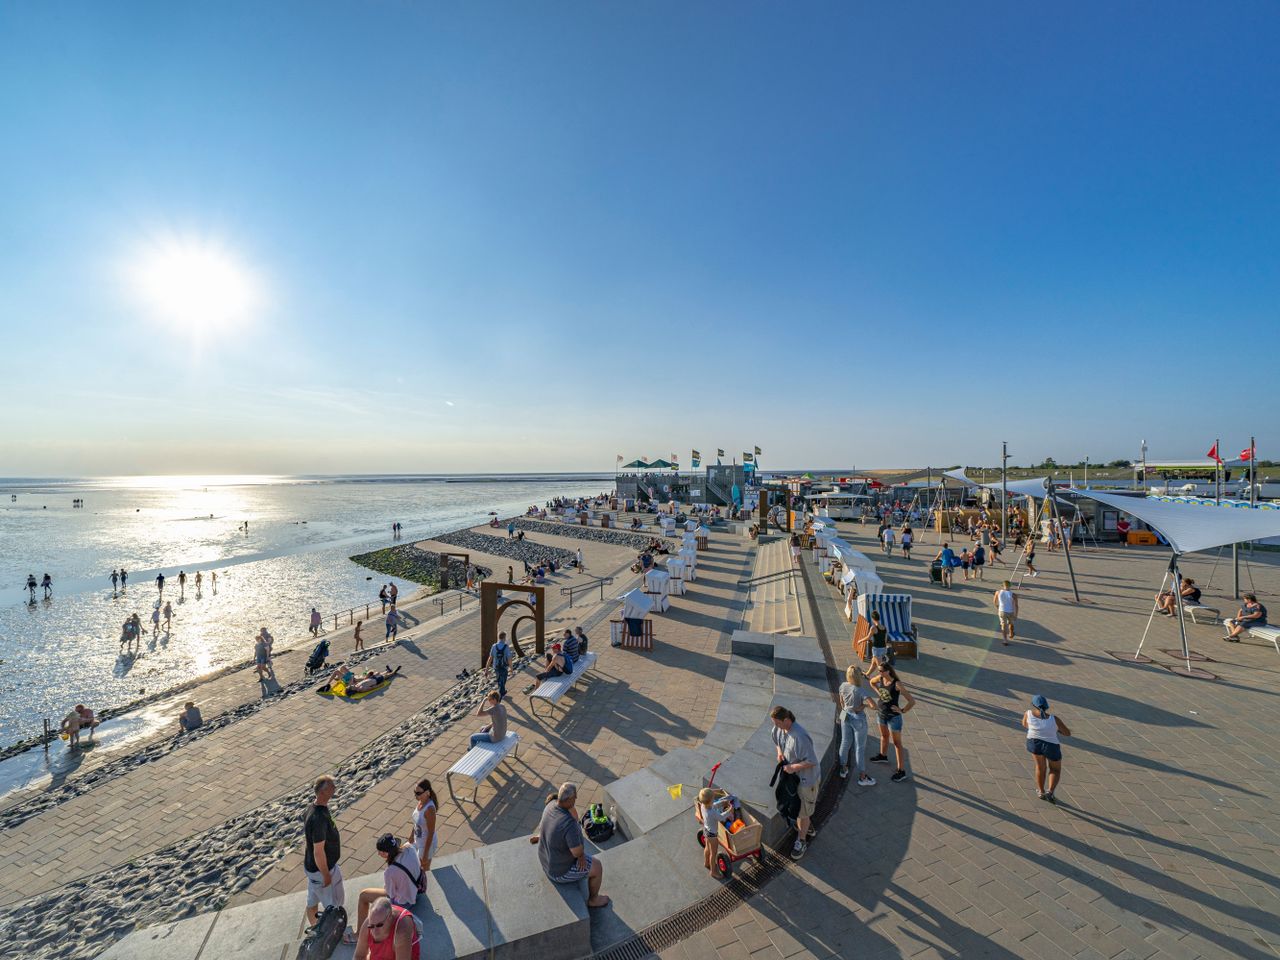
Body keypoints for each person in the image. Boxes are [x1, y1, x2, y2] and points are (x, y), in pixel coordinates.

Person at [534, 782, 610, 908]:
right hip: (558, 873)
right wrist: (581, 858)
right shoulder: (569, 825)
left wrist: (540, 837)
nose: (577, 799)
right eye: (575, 796)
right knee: (597, 867)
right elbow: (576, 852)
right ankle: (594, 899)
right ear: (570, 799)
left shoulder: (550, 806)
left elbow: (546, 827)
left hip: (544, 859)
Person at [769, 706, 819, 860]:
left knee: (803, 812)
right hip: (791, 779)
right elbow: (777, 741)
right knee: (797, 808)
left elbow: (812, 761)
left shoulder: (800, 736)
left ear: (787, 720)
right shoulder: (779, 729)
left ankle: (801, 840)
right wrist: (779, 753)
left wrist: (793, 767)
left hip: (806, 781)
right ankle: (806, 824)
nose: (775, 727)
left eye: (778, 723)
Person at [303, 776, 352, 936]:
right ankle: (331, 933)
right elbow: (318, 851)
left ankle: (315, 929)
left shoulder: (313, 808)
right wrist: (326, 874)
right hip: (322, 870)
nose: (335, 788)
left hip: (311, 869)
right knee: (334, 904)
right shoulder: (318, 819)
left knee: (312, 899)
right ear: (323, 792)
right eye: (332, 786)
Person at [353, 835, 422, 943]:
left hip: (404, 903)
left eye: (379, 852)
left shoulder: (390, 872)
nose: (378, 854)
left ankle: (358, 935)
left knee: (363, 895)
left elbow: (390, 894)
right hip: (418, 892)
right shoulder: (410, 848)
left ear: (386, 853)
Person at [869, 662, 915, 783]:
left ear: (888, 671)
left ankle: (901, 771)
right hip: (881, 713)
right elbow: (871, 682)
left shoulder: (897, 684)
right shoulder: (880, 678)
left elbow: (911, 701)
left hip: (894, 718)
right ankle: (883, 756)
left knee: (897, 744)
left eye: (881, 671)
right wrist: (879, 692)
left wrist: (902, 710)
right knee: (883, 736)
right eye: (878, 671)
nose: (879, 673)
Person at [1022, 694, 1071, 803]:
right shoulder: (1054, 719)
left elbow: (1025, 725)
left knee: (1040, 767)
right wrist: (1055, 730)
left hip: (1034, 743)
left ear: (1033, 705)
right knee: (1055, 769)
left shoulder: (1028, 713)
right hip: (1051, 746)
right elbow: (1067, 733)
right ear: (1047, 706)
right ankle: (1050, 792)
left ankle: (1041, 791)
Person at [838, 665, 877, 786]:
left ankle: (843, 769)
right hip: (858, 719)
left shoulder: (843, 686)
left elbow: (841, 702)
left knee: (845, 743)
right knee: (859, 748)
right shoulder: (860, 690)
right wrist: (863, 706)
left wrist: (848, 708)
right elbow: (874, 706)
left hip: (845, 715)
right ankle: (862, 777)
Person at [353, 894, 420, 960]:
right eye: (371, 926)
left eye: (379, 925)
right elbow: (359, 956)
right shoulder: (369, 923)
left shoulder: (401, 931)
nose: (375, 932)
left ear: (390, 917)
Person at [410, 778, 438, 883]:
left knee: (424, 869)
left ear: (427, 793)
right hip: (418, 840)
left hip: (427, 844)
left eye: (418, 793)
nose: (415, 795)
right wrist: (412, 835)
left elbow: (431, 833)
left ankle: (425, 887)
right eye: (414, 792)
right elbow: (416, 821)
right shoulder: (421, 802)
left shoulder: (430, 809)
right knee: (419, 867)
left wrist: (426, 854)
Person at [486, 631, 512, 700]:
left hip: (496, 667)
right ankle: (501, 694)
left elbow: (490, 658)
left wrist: (487, 669)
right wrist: (511, 668)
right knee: (503, 680)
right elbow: (509, 659)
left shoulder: (494, 646)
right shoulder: (506, 647)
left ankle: (502, 692)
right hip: (504, 667)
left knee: (500, 680)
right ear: (504, 638)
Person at [995, 580, 1019, 645]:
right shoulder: (1014, 595)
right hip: (1010, 611)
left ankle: (1005, 640)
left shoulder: (998, 592)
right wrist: (1016, 615)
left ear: (1002, 586)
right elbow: (1016, 606)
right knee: (1011, 623)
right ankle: (1011, 633)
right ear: (1010, 586)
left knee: (1003, 625)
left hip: (1002, 611)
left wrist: (998, 608)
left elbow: (995, 602)